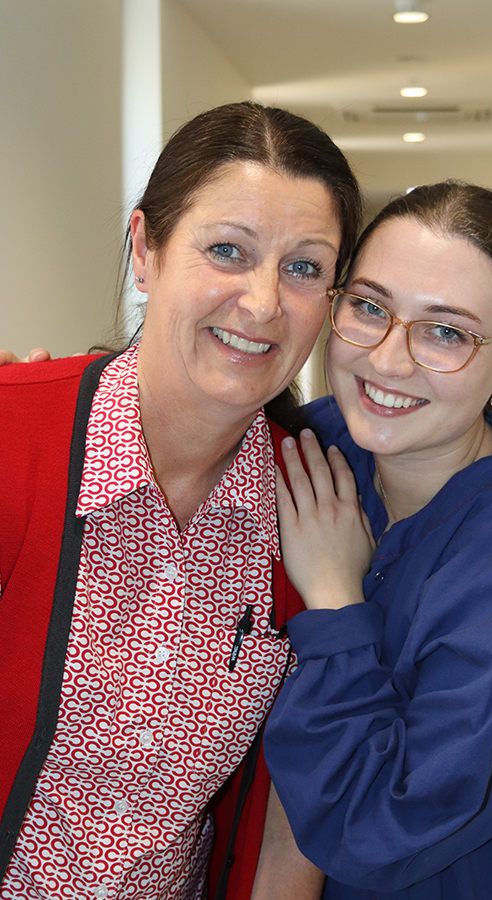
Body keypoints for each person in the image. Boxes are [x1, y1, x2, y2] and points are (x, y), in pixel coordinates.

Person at [0, 100, 362, 900]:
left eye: (304, 267)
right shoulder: (13, 438)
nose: (264, 303)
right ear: (145, 249)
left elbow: (287, 825)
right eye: (228, 250)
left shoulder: (309, 513)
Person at [264, 182, 492, 899]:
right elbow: (186, 446)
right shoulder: (324, 448)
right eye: (369, 307)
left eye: (446, 332)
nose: (387, 360)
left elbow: (378, 831)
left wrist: (332, 600)